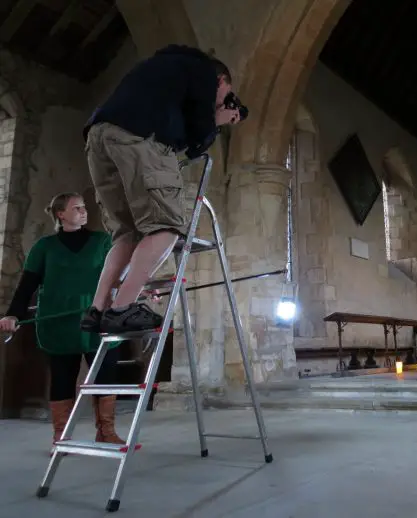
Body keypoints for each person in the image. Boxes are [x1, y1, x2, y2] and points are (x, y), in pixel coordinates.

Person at [79, 44, 245, 336]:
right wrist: (216, 122)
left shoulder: (164, 68)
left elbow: (174, 138)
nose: (222, 100)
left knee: (127, 233)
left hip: (99, 137)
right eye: (225, 94)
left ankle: (98, 309)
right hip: (138, 138)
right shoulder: (205, 72)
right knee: (166, 226)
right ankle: (122, 308)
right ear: (221, 81)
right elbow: (194, 141)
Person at [0, 192, 125, 452]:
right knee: (62, 379)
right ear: (60, 214)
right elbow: (27, 286)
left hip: (98, 318)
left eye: (84, 208)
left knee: (106, 375)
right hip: (59, 322)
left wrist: (144, 289)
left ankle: (107, 432)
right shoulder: (43, 247)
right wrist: (13, 314)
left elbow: (118, 276)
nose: (83, 211)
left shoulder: (101, 241)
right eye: (76, 208)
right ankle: (62, 436)